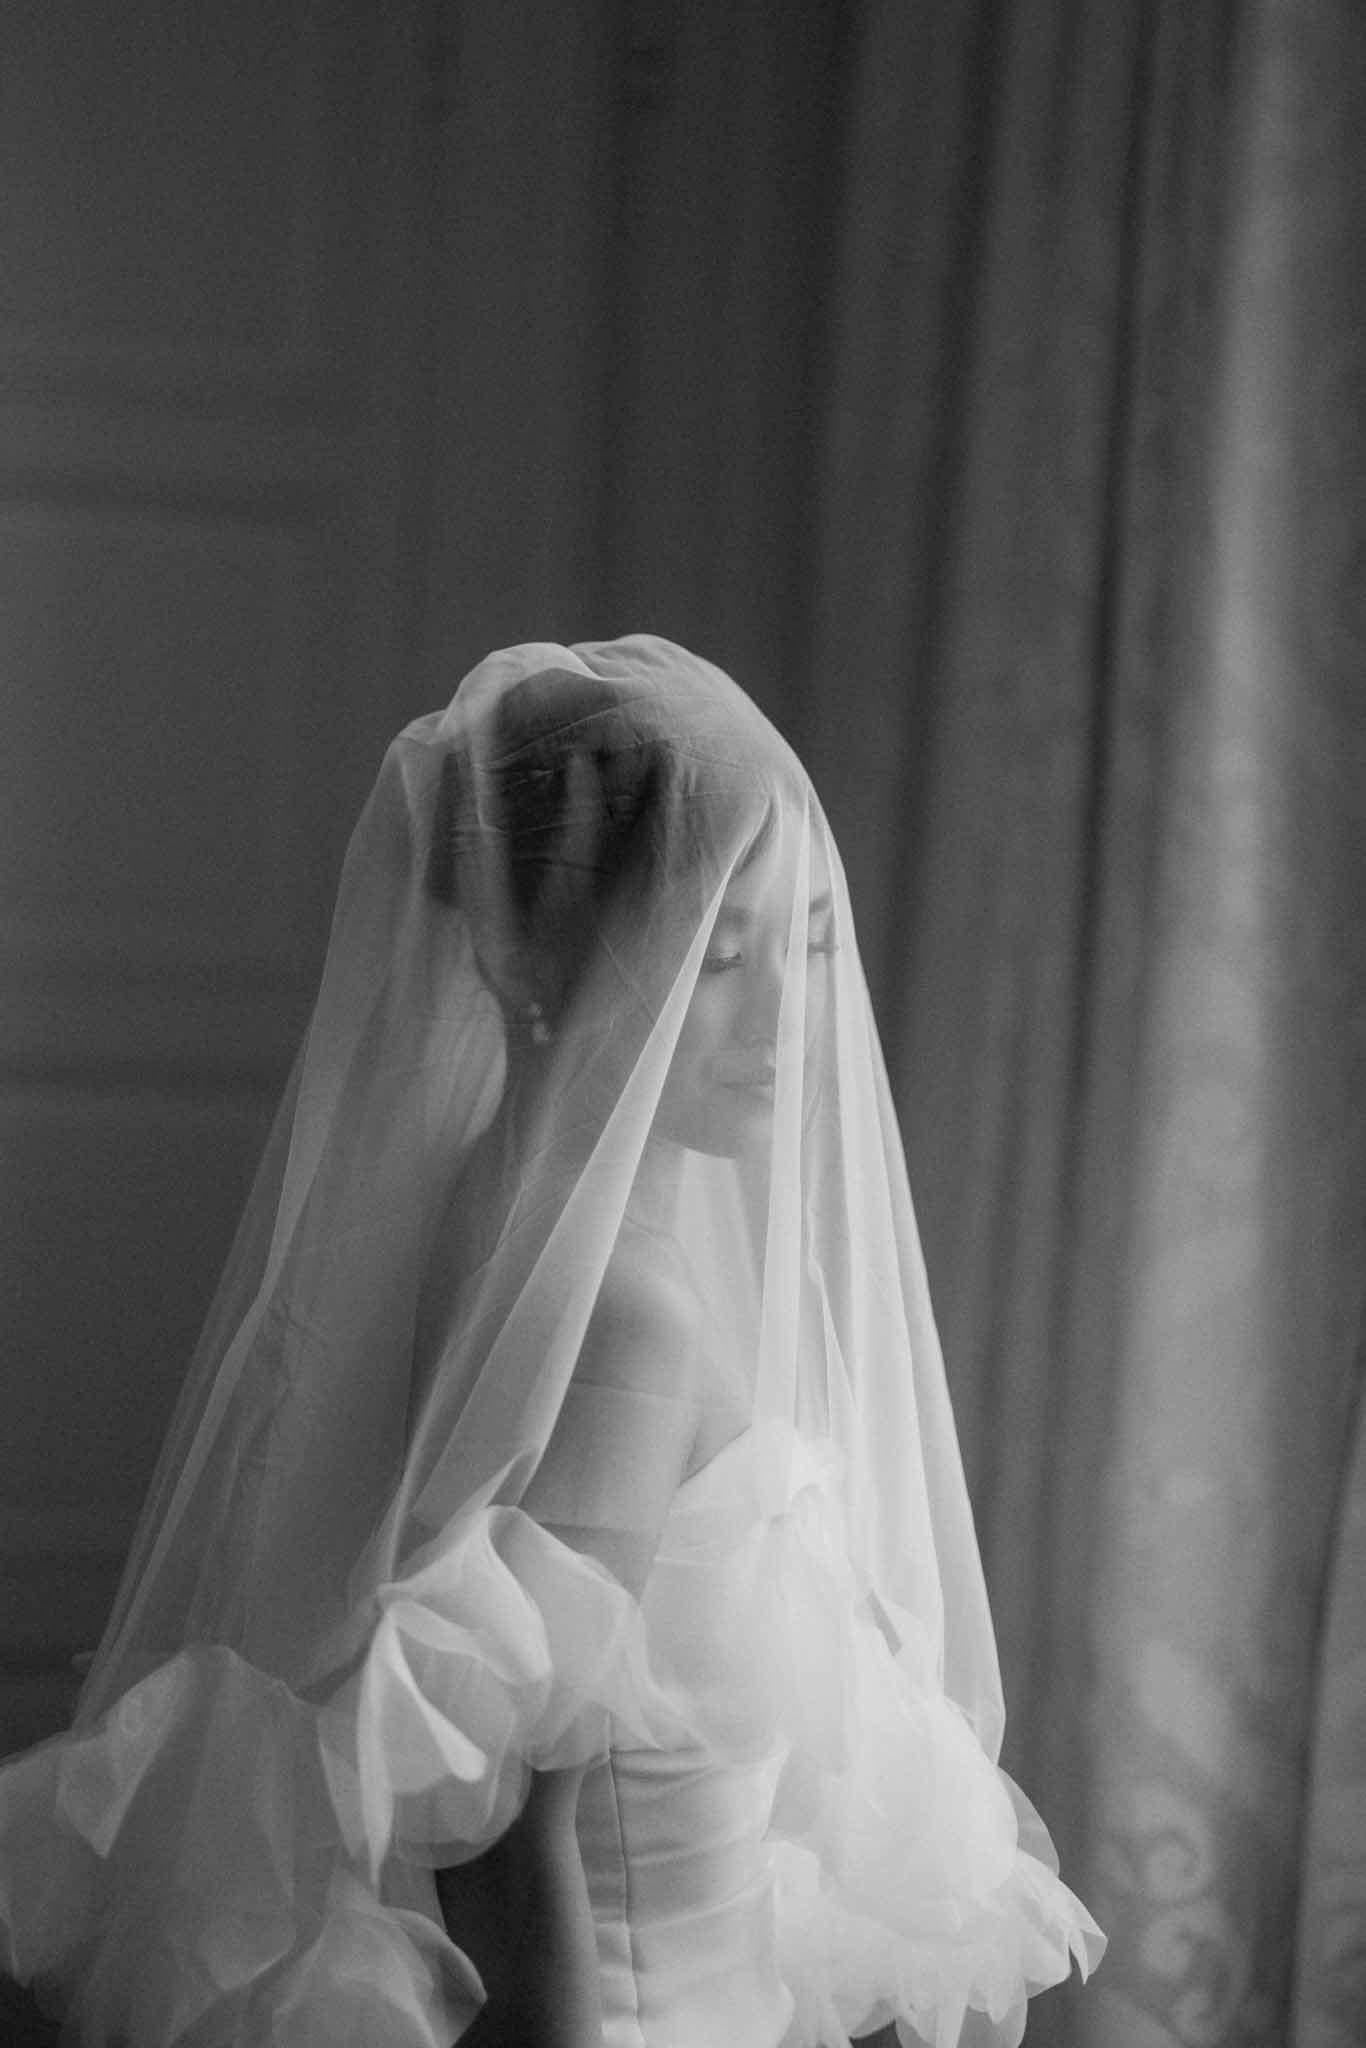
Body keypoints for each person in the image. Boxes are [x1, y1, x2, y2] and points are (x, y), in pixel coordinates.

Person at [0, 637, 1103, 2047]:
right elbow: (505, 1819)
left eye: (807, 941)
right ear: (535, 956)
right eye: (718, 950)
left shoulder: (480, 1210)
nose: (784, 1010)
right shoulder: (626, 1316)